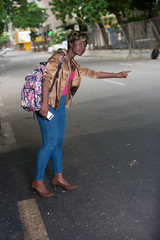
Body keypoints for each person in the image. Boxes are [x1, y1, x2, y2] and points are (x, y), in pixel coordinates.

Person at [32, 30, 131, 197]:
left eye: (84, 45)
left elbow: (92, 73)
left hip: (60, 105)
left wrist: (116, 75)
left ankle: (58, 177)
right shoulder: (58, 57)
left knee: (57, 142)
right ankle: (38, 181)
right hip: (48, 105)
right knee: (49, 142)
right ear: (70, 43)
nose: (82, 47)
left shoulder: (73, 63)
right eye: (79, 44)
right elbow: (46, 80)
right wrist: (43, 105)